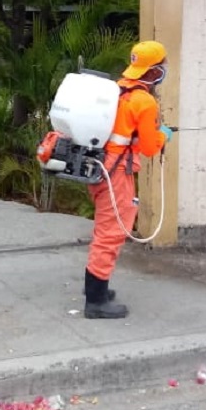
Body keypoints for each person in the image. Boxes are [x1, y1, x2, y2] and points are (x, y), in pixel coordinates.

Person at [84, 40, 172, 319]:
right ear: (154, 72)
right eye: (162, 67)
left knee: (104, 228)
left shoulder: (117, 89)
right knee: (111, 233)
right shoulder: (143, 101)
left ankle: (95, 289)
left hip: (99, 167)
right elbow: (148, 148)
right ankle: (96, 302)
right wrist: (164, 135)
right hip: (116, 172)